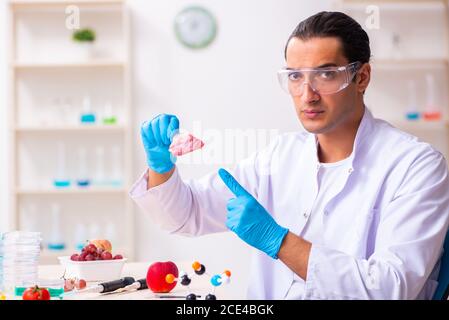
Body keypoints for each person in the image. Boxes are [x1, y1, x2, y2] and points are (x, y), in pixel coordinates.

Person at [130, 11, 449, 299]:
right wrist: (161, 168)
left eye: (326, 74)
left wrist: (279, 241)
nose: (307, 94)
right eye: (295, 76)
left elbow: (391, 289)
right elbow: (186, 217)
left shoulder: (416, 167)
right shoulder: (279, 157)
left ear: (361, 77)